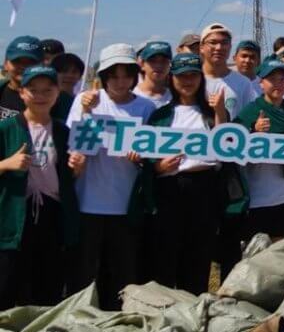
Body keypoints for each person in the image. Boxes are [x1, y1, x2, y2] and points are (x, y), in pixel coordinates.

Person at [67, 43, 157, 310]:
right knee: (85, 270)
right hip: (88, 201)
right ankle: (81, 316)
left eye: (126, 74)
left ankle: (117, 319)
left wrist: (140, 157)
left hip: (125, 203)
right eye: (113, 75)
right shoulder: (87, 99)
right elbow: (74, 142)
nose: (120, 81)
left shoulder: (145, 107)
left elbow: (151, 150)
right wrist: (85, 109)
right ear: (103, 76)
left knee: (122, 270)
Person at [146, 53, 228, 295]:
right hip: (170, 189)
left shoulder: (210, 112)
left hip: (204, 188)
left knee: (199, 256)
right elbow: (146, 158)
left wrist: (220, 112)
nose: (188, 81)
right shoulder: (160, 115)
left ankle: (193, 310)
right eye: (182, 76)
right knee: (166, 254)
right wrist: (159, 167)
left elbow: (226, 147)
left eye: (193, 75)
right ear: (172, 79)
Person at [0, 66, 82, 307]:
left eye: (48, 89)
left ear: (58, 93)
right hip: (14, 216)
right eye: (33, 90)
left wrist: (77, 167)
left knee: (47, 288)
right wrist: (6, 164)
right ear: (23, 93)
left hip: (52, 216)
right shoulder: (7, 128)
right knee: (7, 286)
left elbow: (69, 177)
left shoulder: (63, 132)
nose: (41, 95)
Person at [198, 23, 260, 277]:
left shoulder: (241, 84)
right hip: (198, 170)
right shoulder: (191, 78)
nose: (218, 47)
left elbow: (249, 124)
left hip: (232, 171)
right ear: (202, 47)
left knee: (231, 239)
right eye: (212, 42)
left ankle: (229, 295)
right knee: (199, 238)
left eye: (224, 42)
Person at [234, 58, 284, 241]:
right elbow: (233, 147)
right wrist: (254, 131)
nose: (278, 84)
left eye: (283, 79)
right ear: (261, 83)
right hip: (259, 197)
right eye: (272, 79)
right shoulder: (250, 112)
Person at [0, 36, 42, 121]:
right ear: (5, 64)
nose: (23, 67)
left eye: (31, 62)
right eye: (17, 61)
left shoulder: (54, 100)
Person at [134, 41, 173, 108]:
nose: (158, 65)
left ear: (169, 64)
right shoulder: (131, 95)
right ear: (142, 64)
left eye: (164, 61)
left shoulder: (174, 99)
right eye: (152, 61)